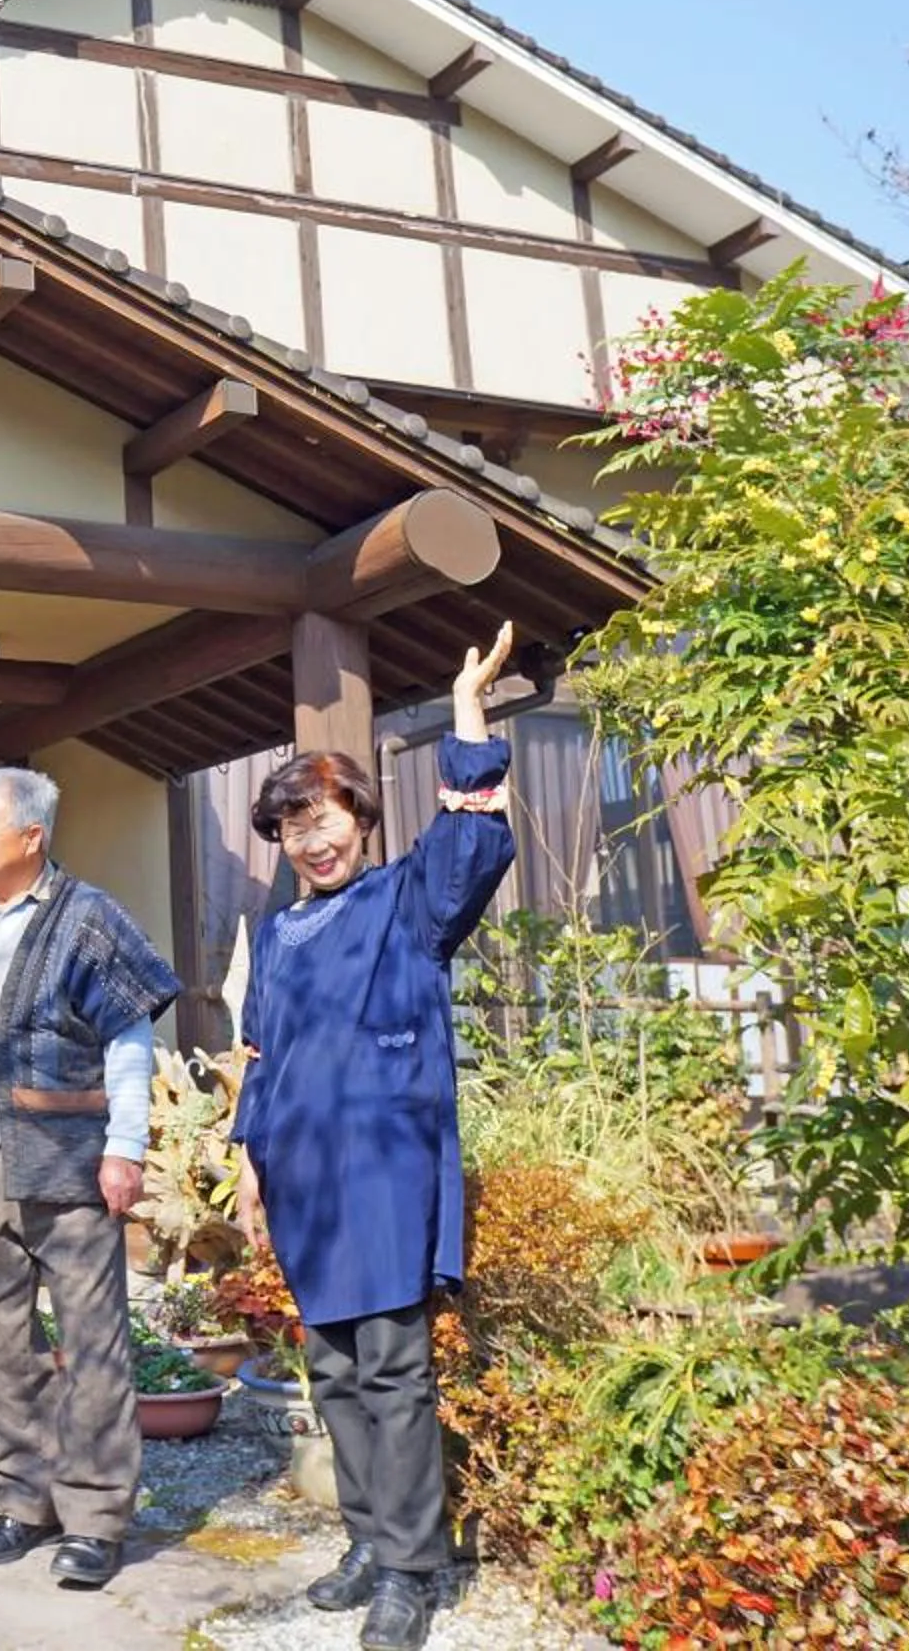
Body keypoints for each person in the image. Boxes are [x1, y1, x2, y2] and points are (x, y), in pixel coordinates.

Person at [230, 624, 517, 1651]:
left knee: (395, 1368)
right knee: (335, 1366)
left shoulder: (408, 903)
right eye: (294, 826)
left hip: (387, 1174)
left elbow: (474, 841)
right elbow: (258, 1054)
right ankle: (364, 1539)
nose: (314, 840)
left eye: (329, 818)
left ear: (360, 816)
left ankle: (411, 1566)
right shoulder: (278, 934)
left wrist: (468, 717)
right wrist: (250, 1164)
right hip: (304, 1177)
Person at [0, 767, 184, 1593]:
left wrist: (126, 1147)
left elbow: (130, 1042)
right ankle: (22, 1501)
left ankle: (94, 1518)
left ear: (32, 836)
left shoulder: (89, 918)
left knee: (93, 1346)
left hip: (73, 1164)